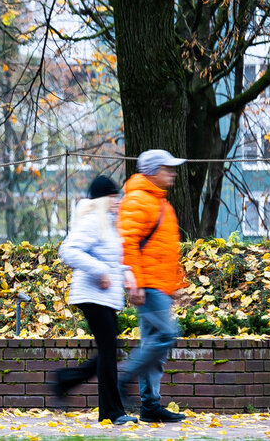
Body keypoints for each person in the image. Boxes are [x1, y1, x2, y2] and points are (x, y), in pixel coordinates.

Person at [55, 175, 137, 425]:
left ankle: (66, 380)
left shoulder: (108, 223)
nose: (118, 201)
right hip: (91, 296)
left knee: (109, 351)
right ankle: (112, 412)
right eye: (113, 197)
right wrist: (99, 271)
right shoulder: (92, 221)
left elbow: (110, 259)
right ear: (102, 199)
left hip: (103, 297)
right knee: (109, 351)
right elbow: (68, 251)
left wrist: (126, 273)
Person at [117, 150, 189, 423]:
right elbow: (127, 243)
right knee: (166, 335)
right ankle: (125, 376)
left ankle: (150, 406)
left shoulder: (161, 203)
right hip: (146, 284)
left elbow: (166, 250)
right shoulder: (137, 200)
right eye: (167, 168)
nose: (172, 173)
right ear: (152, 171)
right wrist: (131, 281)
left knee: (155, 345)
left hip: (159, 285)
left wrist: (177, 286)